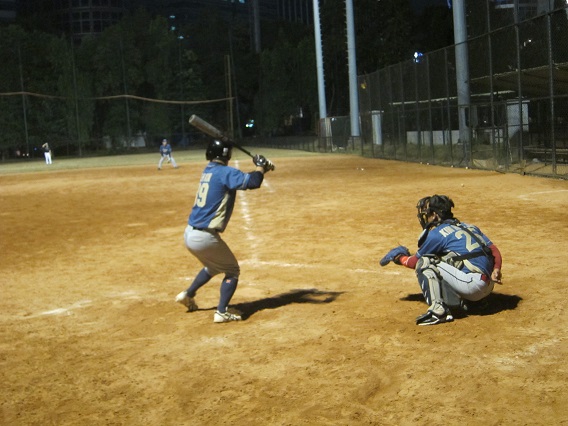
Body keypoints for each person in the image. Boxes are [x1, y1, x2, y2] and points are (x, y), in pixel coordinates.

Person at [175, 139, 274, 323]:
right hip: (204, 237)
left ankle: (188, 294)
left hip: (190, 233)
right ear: (227, 154)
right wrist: (260, 166)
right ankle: (221, 312)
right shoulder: (224, 172)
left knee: (213, 267)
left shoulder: (209, 171)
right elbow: (253, 182)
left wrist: (262, 169)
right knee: (232, 270)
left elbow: (245, 179)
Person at [379, 195, 502, 326]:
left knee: (425, 262)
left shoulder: (437, 233)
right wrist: (496, 269)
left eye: (428, 214)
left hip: (472, 287)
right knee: (447, 257)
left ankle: (438, 311)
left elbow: (414, 262)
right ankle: (476, 302)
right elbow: (494, 250)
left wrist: (400, 257)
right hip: (489, 285)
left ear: (435, 215)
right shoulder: (470, 227)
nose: (426, 217)